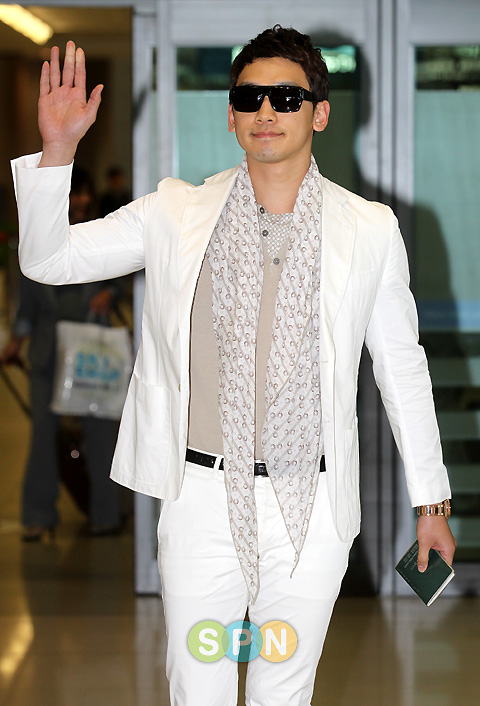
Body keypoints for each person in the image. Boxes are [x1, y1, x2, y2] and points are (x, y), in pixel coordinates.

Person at [11, 26, 455, 705]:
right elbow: (49, 260)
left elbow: (403, 369)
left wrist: (432, 503)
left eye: (286, 97)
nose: (266, 111)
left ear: (320, 113)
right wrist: (58, 151)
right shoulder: (176, 212)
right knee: (199, 687)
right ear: (230, 114)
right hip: (201, 499)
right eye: (250, 98)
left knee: (285, 690)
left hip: (312, 503)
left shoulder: (369, 229)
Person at [3, 167, 122, 540]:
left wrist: (110, 293)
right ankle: (38, 515)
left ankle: (106, 513)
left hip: (92, 354)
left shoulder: (103, 232)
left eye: (84, 193)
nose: (81, 200)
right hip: (48, 353)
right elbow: (27, 303)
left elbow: (124, 276)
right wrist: (15, 342)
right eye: (74, 193)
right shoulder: (38, 238)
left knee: (100, 435)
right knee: (43, 435)